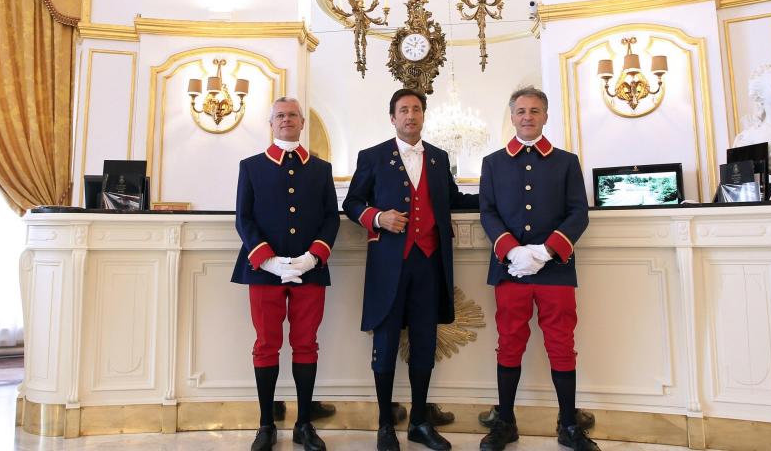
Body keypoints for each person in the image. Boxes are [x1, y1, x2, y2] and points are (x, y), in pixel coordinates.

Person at [343, 88, 479, 451]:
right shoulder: (372, 157)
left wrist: (498, 192)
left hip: (430, 263)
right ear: (392, 118)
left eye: (416, 109)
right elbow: (352, 201)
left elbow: (453, 199)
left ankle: (419, 421)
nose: (410, 115)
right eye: (403, 110)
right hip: (390, 263)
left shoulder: (438, 158)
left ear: (423, 115)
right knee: (386, 341)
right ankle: (385, 424)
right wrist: (377, 217)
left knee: (424, 342)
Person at [477, 86, 599, 451]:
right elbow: (488, 212)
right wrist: (512, 251)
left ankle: (568, 425)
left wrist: (546, 251)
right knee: (509, 344)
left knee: (562, 345)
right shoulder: (493, 162)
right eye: (520, 111)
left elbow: (579, 212)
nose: (527, 116)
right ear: (511, 116)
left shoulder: (566, 161)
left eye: (534, 110)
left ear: (546, 116)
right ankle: (506, 422)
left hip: (555, 269)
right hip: (509, 268)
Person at [230, 97, 339, 451]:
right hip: (264, 272)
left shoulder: (321, 169)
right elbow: (243, 218)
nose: (286, 120)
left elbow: (330, 218)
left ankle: (304, 424)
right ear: (271, 123)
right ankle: (266, 425)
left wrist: (313, 257)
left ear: (302, 122)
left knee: (306, 344)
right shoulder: (251, 166)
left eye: (292, 115)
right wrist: (267, 260)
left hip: (309, 271)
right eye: (280, 115)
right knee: (266, 345)